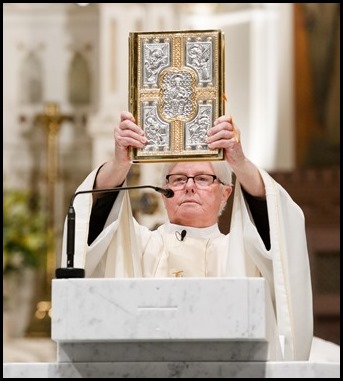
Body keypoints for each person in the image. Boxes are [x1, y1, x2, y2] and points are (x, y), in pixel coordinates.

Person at [61, 111, 313, 362]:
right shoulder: (138, 246)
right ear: (163, 192)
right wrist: (119, 165)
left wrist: (239, 162)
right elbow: (89, 219)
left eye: (203, 179)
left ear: (226, 193)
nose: (189, 186)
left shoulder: (242, 253)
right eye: (179, 179)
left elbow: (281, 228)